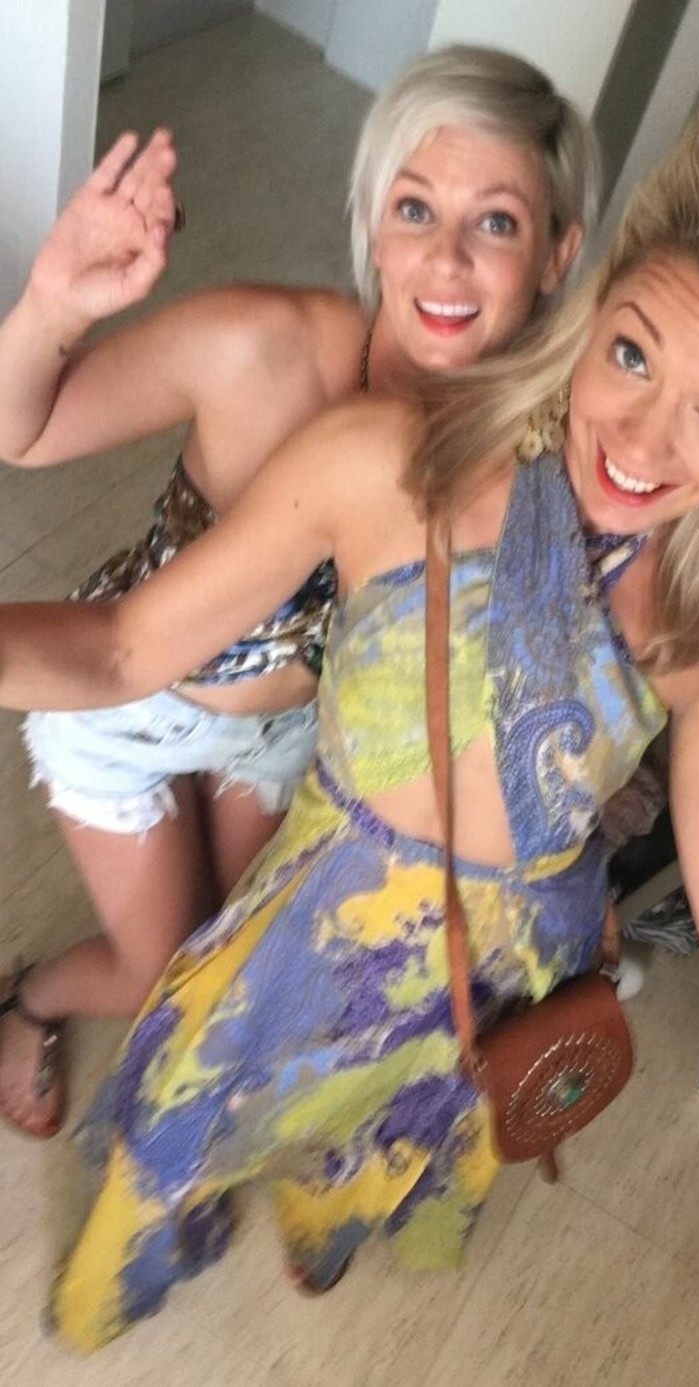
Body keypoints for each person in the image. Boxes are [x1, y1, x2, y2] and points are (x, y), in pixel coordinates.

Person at [0, 86, 699, 1352]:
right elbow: (117, 648)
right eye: (632, 356)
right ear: (591, 309)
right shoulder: (390, 463)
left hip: (504, 977)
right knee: (186, 1127)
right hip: (308, 929)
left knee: (384, 1150)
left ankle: (325, 1222)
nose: (642, 439)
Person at [0, 46, 596, 1138]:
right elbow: (21, 432)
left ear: (558, 252)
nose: (446, 260)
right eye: (414, 209)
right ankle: (31, 998)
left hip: (285, 741)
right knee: (154, 975)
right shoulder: (262, 344)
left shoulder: (534, 446)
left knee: (220, 956)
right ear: (371, 219)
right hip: (126, 705)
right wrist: (50, 305)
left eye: (497, 222)